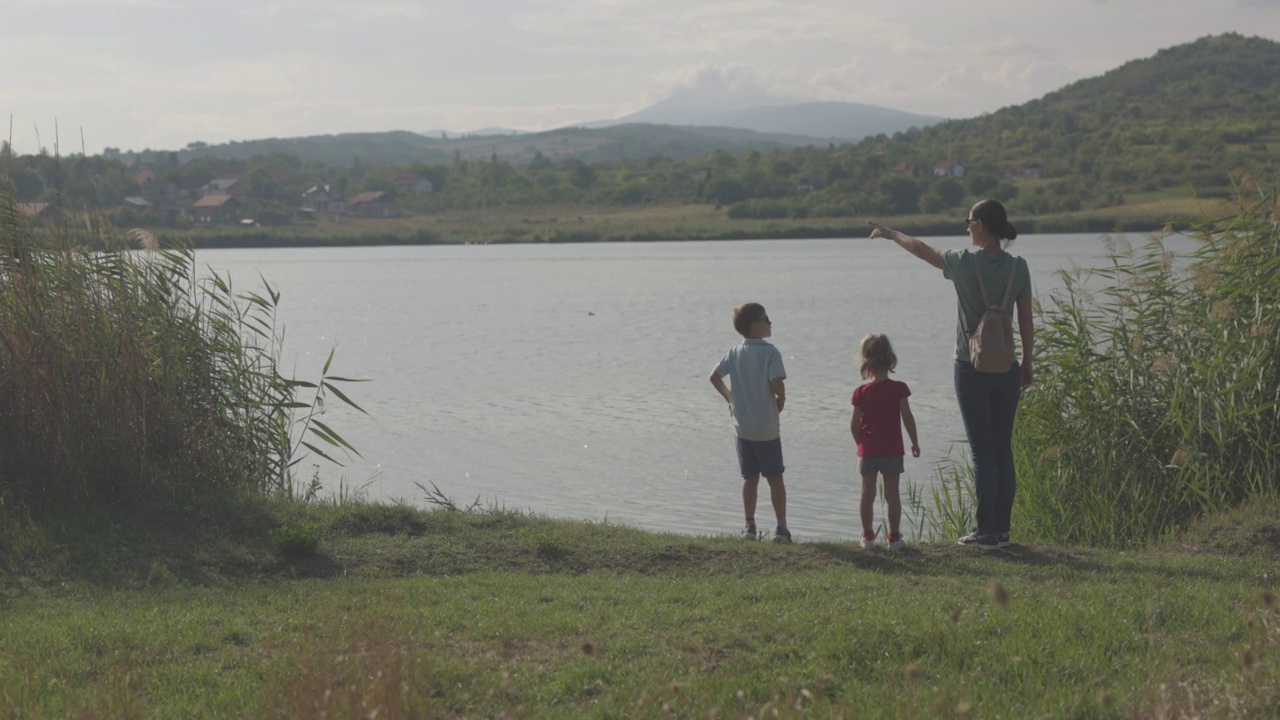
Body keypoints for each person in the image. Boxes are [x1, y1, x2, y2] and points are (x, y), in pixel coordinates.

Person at [868, 199, 1033, 550]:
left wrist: (893, 234)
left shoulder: (964, 262)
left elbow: (923, 250)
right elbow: (1026, 321)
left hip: (970, 366)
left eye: (969, 220)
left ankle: (985, 532)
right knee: (1003, 450)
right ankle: (1001, 531)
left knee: (982, 453)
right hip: (1007, 367)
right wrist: (1028, 362)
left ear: (983, 226)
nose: (966, 226)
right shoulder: (1019, 268)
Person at [709, 302, 791, 543]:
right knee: (775, 477)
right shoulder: (770, 352)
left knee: (749, 478)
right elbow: (777, 382)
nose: (770, 322)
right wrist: (781, 398)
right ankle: (781, 528)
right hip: (766, 428)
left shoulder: (734, 353)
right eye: (767, 319)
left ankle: (749, 526)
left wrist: (730, 398)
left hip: (742, 427)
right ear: (755, 327)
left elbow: (714, 377)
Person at [850, 333, 920, 550]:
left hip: (868, 450)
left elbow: (853, 424)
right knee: (892, 494)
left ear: (865, 361)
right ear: (889, 359)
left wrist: (860, 443)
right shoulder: (899, 389)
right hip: (892, 450)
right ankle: (894, 538)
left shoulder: (860, 392)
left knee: (867, 493)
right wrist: (914, 443)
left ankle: (868, 536)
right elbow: (907, 416)